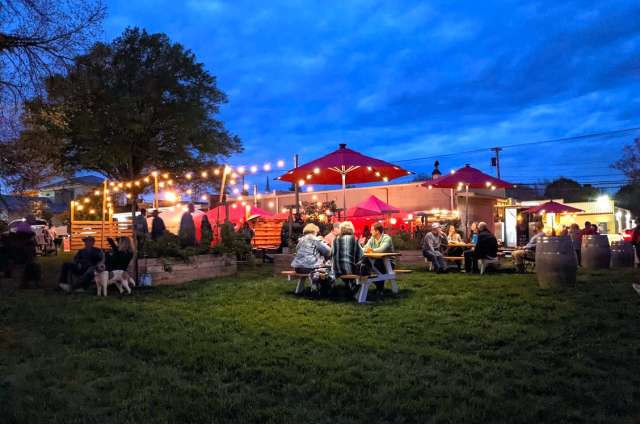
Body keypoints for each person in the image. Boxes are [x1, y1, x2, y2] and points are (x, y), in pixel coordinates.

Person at [331, 221, 364, 291]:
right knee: (361, 264)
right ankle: (354, 287)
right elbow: (362, 255)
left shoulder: (335, 240)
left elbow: (332, 253)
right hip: (351, 270)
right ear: (351, 229)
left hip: (337, 270)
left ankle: (349, 286)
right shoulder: (354, 239)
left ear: (341, 229)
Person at [363, 222, 395, 295]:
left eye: (372, 230)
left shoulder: (387, 238)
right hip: (376, 261)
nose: (370, 231)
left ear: (377, 231)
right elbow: (365, 248)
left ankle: (379, 288)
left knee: (370, 264)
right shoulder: (372, 238)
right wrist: (367, 249)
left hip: (388, 263)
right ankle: (378, 287)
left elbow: (381, 249)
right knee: (367, 263)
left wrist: (370, 250)